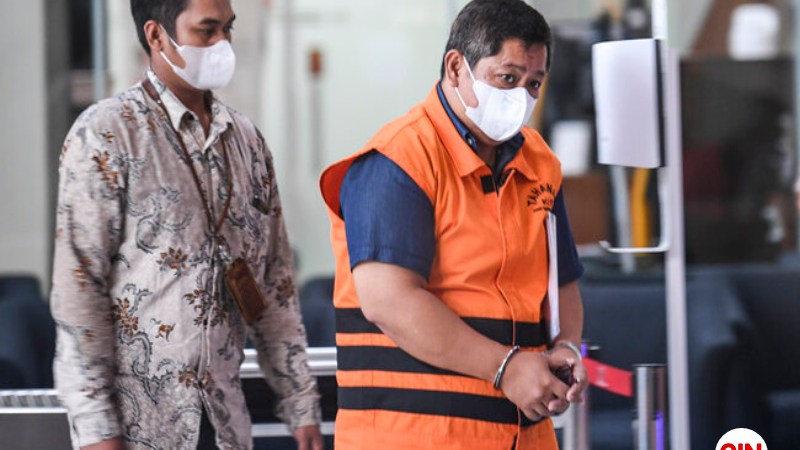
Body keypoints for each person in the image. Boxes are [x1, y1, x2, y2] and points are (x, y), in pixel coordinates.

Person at [50, 0, 323, 449]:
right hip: (140, 428)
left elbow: (274, 284)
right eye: (206, 31)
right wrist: (96, 429)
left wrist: (299, 401)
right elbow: (80, 291)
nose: (222, 44)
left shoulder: (247, 142)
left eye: (228, 29)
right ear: (157, 36)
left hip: (225, 425)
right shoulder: (106, 135)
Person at [319, 1, 588, 448]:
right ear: (456, 67)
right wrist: (506, 368)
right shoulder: (398, 161)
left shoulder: (539, 163)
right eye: (508, 78)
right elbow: (389, 301)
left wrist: (566, 347)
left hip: (523, 437)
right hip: (414, 438)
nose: (521, 97)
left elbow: (562, 283)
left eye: (534, 84)